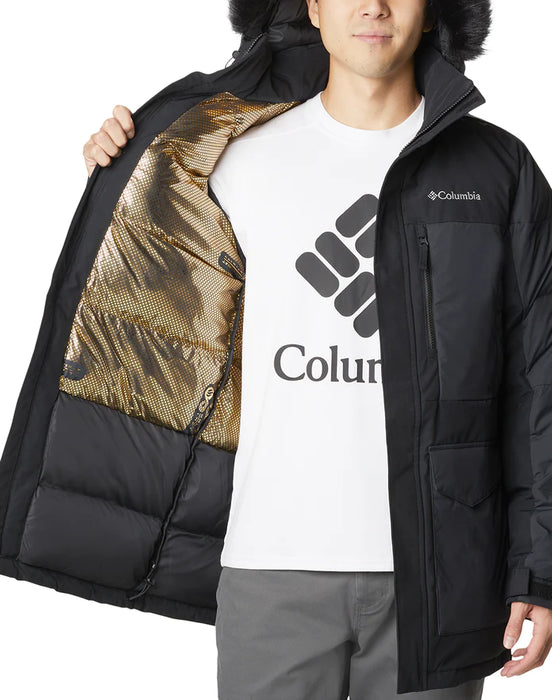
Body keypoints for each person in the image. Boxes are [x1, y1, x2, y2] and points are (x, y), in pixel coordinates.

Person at [83, 1, 552, 698]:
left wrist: (539, 570)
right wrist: (123, 172)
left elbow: (539, 381)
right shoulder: (234, 156)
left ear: (435, 12)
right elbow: (148, 314)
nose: (373, 6)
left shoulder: (496, 169)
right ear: (311, 7)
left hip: (440, 572)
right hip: (270, 566)